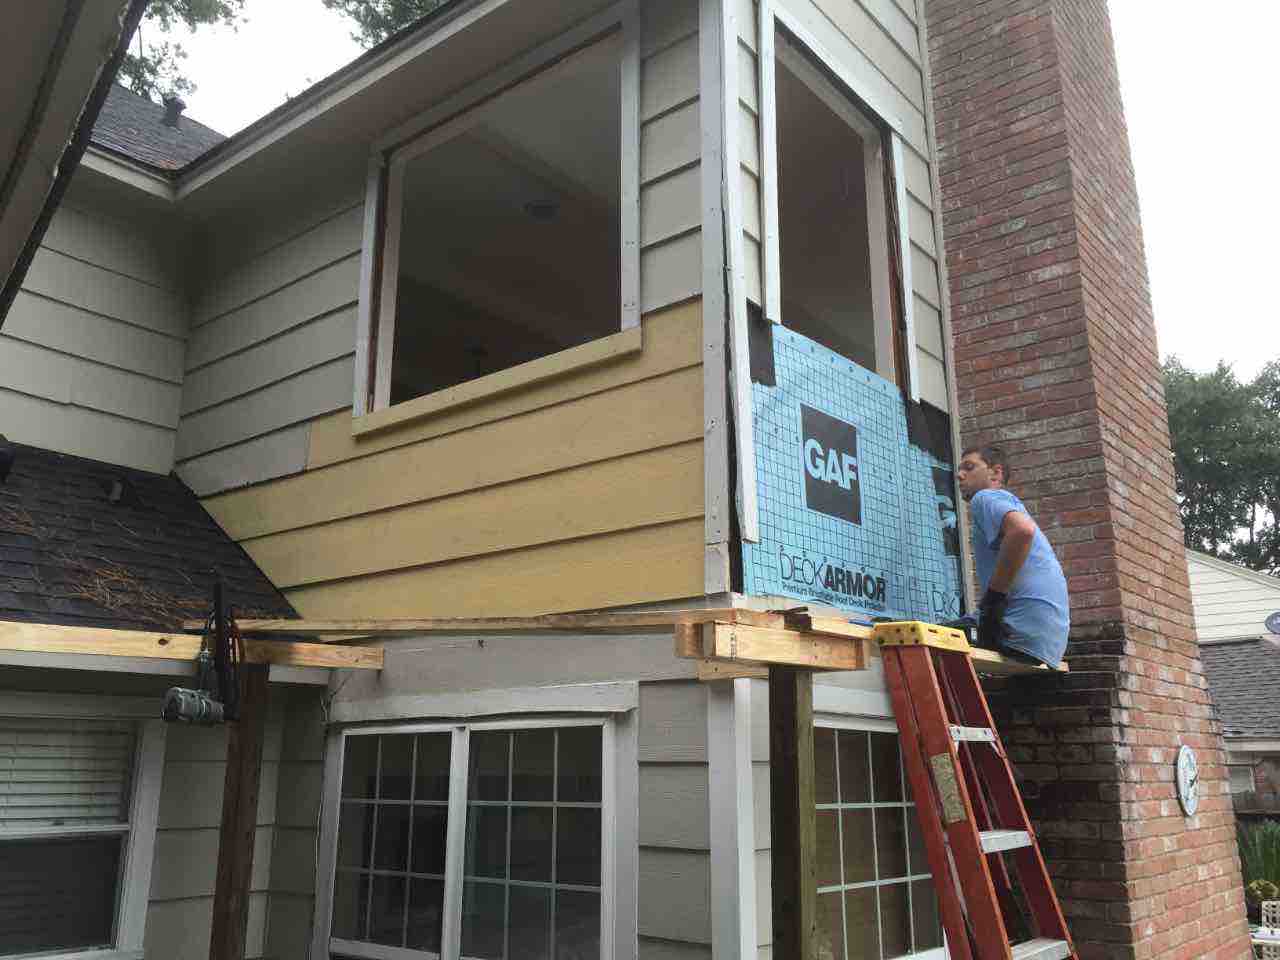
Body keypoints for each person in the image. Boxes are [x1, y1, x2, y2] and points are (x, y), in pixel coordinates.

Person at [955, 444, 1069, 668]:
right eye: (959, 469)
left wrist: (993, 601)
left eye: (969, 467)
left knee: (914, 640)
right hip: (1047, 645)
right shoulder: (1010, 503)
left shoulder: (984, 498)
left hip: (1017, 634)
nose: (959, 474)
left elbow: (1022, 531)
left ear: (995, 473)